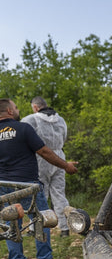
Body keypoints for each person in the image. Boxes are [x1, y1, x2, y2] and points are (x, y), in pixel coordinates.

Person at [0, 98, 78, 259]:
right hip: (28, 184)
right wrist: (66, 166)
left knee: (11, 221)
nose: (18, 109)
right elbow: (44, 151)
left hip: (3, 185)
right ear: (10, 111)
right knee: (41, 219)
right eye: (16, 107)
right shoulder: (23, 128)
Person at [21, 97, 70, 237]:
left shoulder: (30, 119)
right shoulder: (61, 120)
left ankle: (35, 227)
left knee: (40, 194)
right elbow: (64, 137)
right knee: (59, 194)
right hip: (59, 157)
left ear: (35, 107)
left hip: (40, 157)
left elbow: (24, 137)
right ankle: (64, 228)